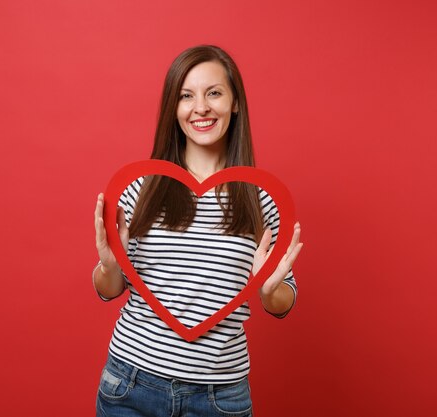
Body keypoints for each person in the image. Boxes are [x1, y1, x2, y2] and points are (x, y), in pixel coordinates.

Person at [92, 45, 303, 417]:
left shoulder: (258, 197)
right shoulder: (143, 187)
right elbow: (111, 288)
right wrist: (109, 266)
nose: (200, 108)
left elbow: (281, 298)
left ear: (235, 103)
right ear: (174, 109)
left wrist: (271, 291)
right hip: (131, 385)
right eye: (186, 96)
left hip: (219, 398)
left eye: (214, 93)